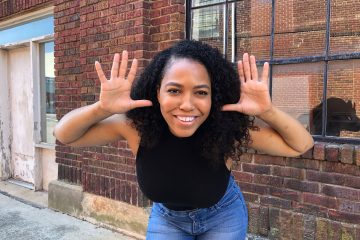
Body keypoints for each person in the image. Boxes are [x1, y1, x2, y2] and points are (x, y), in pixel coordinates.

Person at [54, 40, 314, 240]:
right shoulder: (136, 127)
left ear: (214, 96)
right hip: (167, 220)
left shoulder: (225, 127)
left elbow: (301, 145)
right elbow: (65, 135)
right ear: (158, 92)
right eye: (174, 90)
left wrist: (267, 112)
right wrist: (102, 108)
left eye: (201, 92)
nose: (187, 105)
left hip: (222, 216)